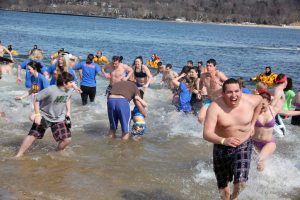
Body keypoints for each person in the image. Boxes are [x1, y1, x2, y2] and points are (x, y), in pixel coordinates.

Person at [203, 78, 262, 200]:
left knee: (241, 182)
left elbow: (260, 101)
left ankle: (234, 198)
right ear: (223, 93)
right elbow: (206, 134)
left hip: (243, 144)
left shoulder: (250, 100)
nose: (234, 95)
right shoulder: (215, 107)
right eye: (229, 92)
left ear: (241, 91)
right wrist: (224, 140)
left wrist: (252, 124)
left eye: (237, 91)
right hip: (221, 146)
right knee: (223, 188)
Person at [15, 72, 75, 157]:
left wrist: (68, 111)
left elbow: (68, 98)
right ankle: (19, 155)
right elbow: (36, 98)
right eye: (71, 82)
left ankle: (57, 151)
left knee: (67, 139)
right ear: (64, 83)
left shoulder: (70, 90)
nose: (73, 84)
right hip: (45, 116)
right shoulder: (51, 89)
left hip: (59, 117)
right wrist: (38, 114)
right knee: (32, 135)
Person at [253, 90, 300, 171]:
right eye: (260, 104)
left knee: (259, 160)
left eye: (263, 104)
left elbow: (287, 113)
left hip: (269, 143)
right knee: (258, 166)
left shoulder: (273, 110)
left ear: (269, 102)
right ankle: (262, 181)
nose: (261, 106)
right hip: (253, 142)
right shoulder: (254, 110)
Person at [198, 59, 228, 123]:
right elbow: (200, 82)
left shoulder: (219, 74)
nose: (208, 67)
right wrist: (199, 91)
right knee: (200, 117)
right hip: (209, 99)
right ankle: (204, 131)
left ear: (215, 66)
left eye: (210, 66)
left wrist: (221, 84)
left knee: (220, 120)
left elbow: (230, 83)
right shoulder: (203, 75)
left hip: (220, 100)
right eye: (207, 65)